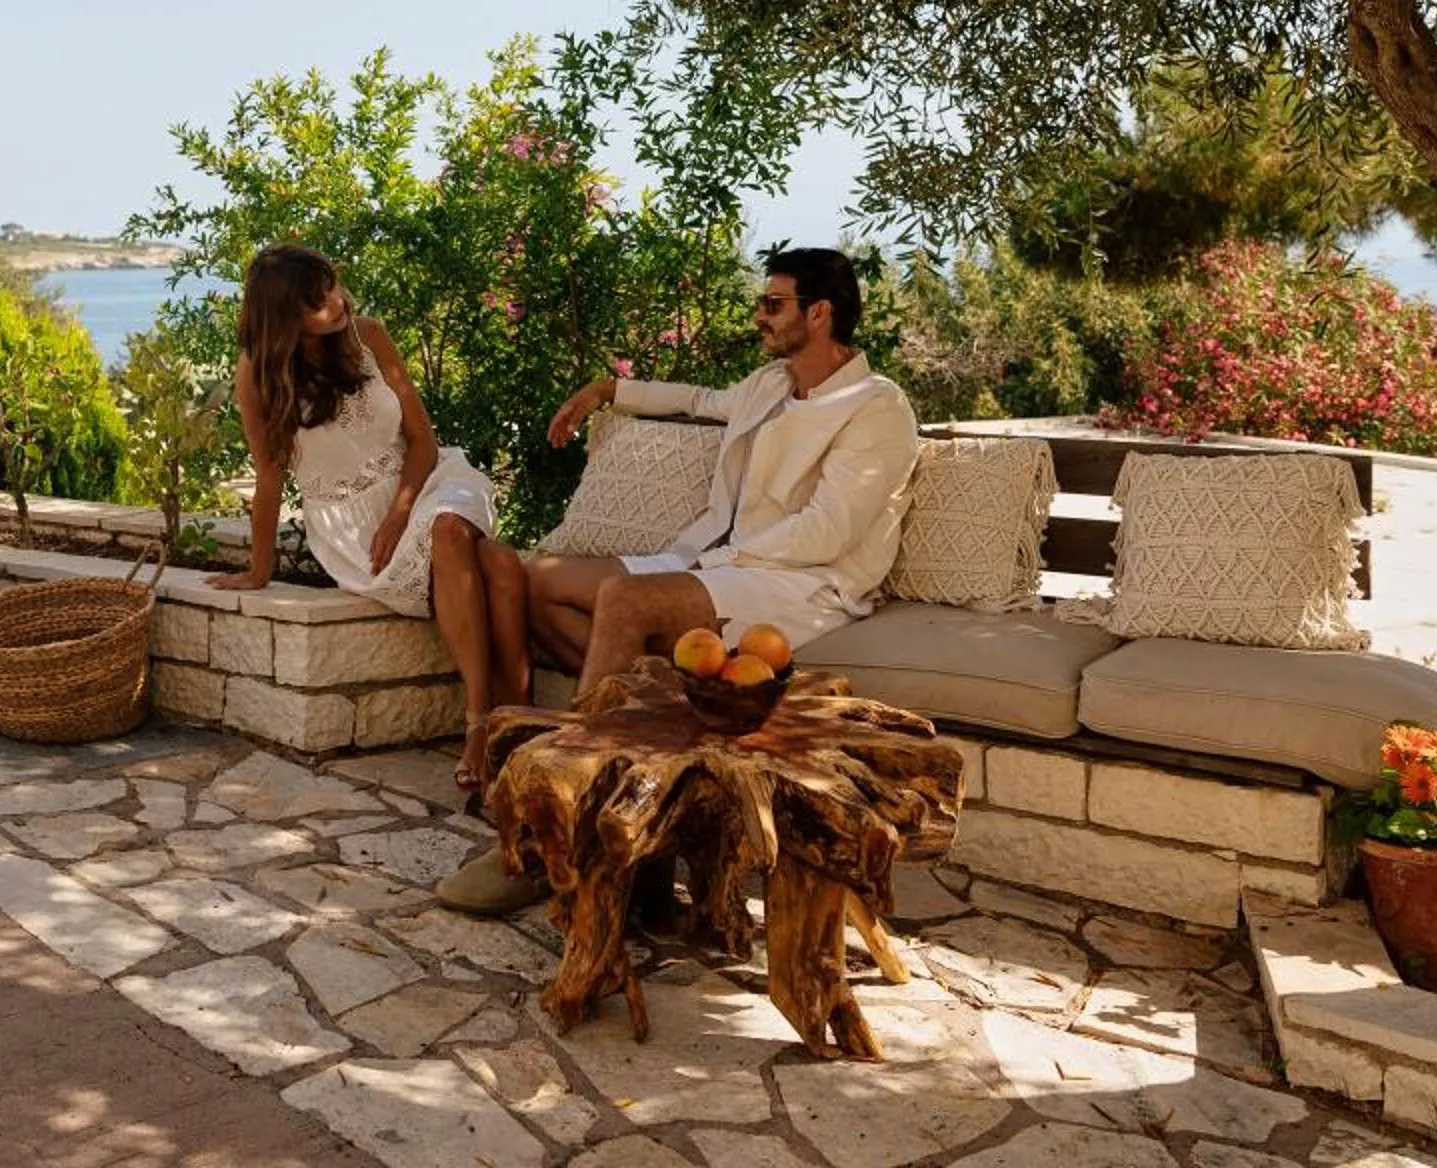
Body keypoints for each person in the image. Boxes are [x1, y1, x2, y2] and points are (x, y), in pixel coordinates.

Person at [436, 245, 920, 913]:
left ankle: (558, 825)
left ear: (820, 314)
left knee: (625, 601)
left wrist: (711, 563)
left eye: (773, 304)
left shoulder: (875, 407)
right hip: (724, 562)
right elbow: (699, 400)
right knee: (533, 581)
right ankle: (650, 731)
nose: (759, 316)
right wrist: (609, 390)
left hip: (805, 581)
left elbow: (826, 534)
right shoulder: (772, 385)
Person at [214, 244, 531, 795]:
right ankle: (521, 723)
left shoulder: (369, 337)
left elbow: (423, 440)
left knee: (448, 529)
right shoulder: (259, 376)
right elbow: (269, 477)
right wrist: (257, 570)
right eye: (318, 300)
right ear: (284, 316)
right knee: (499, 563)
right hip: (350, 530)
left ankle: (479, 722)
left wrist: (401, 513)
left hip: (428, 483)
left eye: (333, 286)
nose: (336, 302)